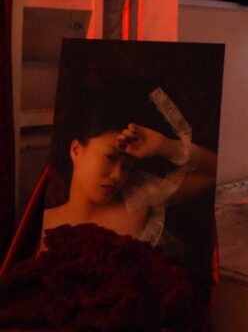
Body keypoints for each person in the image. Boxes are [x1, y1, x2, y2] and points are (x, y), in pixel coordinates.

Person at [41, 87, 217, 252]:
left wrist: (164, 146)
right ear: (76, 150)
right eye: (110, 157)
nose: (118, 175)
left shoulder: (137, 204)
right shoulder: (43, 222)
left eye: (127, 167)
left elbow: (212, 173)